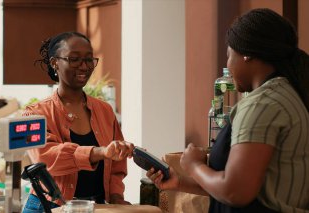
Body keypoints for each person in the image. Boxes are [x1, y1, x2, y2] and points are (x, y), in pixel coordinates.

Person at [147, 8, 309, 213]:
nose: (228, 65)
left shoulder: (261, 105)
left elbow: (235, 192)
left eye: (229, 55)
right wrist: (181, 182)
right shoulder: (287, 94)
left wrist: (194, 166)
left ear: (247, 54)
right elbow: (251, 186)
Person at [22, 32, 134, 212]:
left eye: (89, 60)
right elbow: (45, 157)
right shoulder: (34, 113)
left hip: (95, 206)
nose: (84, 66)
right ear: (54, 63)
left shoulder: (104, 110)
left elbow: (116, 167)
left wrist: (116, 197)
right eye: (74, 59)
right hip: (48, 206)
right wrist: (100, 152)